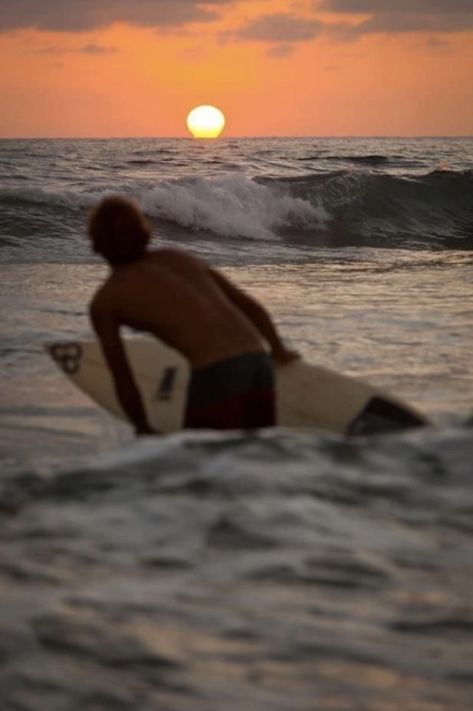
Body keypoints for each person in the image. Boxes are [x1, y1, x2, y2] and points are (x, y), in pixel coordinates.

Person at [87, 195, 298, 435]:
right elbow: (250, 306)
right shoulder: (180, 258)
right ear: (142, 230)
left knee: (200, 462)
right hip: (258, 362)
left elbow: (123, 378)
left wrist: (142, 426)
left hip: (217, 375)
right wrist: (278, 350)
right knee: (256, 456)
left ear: (97, 242)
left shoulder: (107, 300)